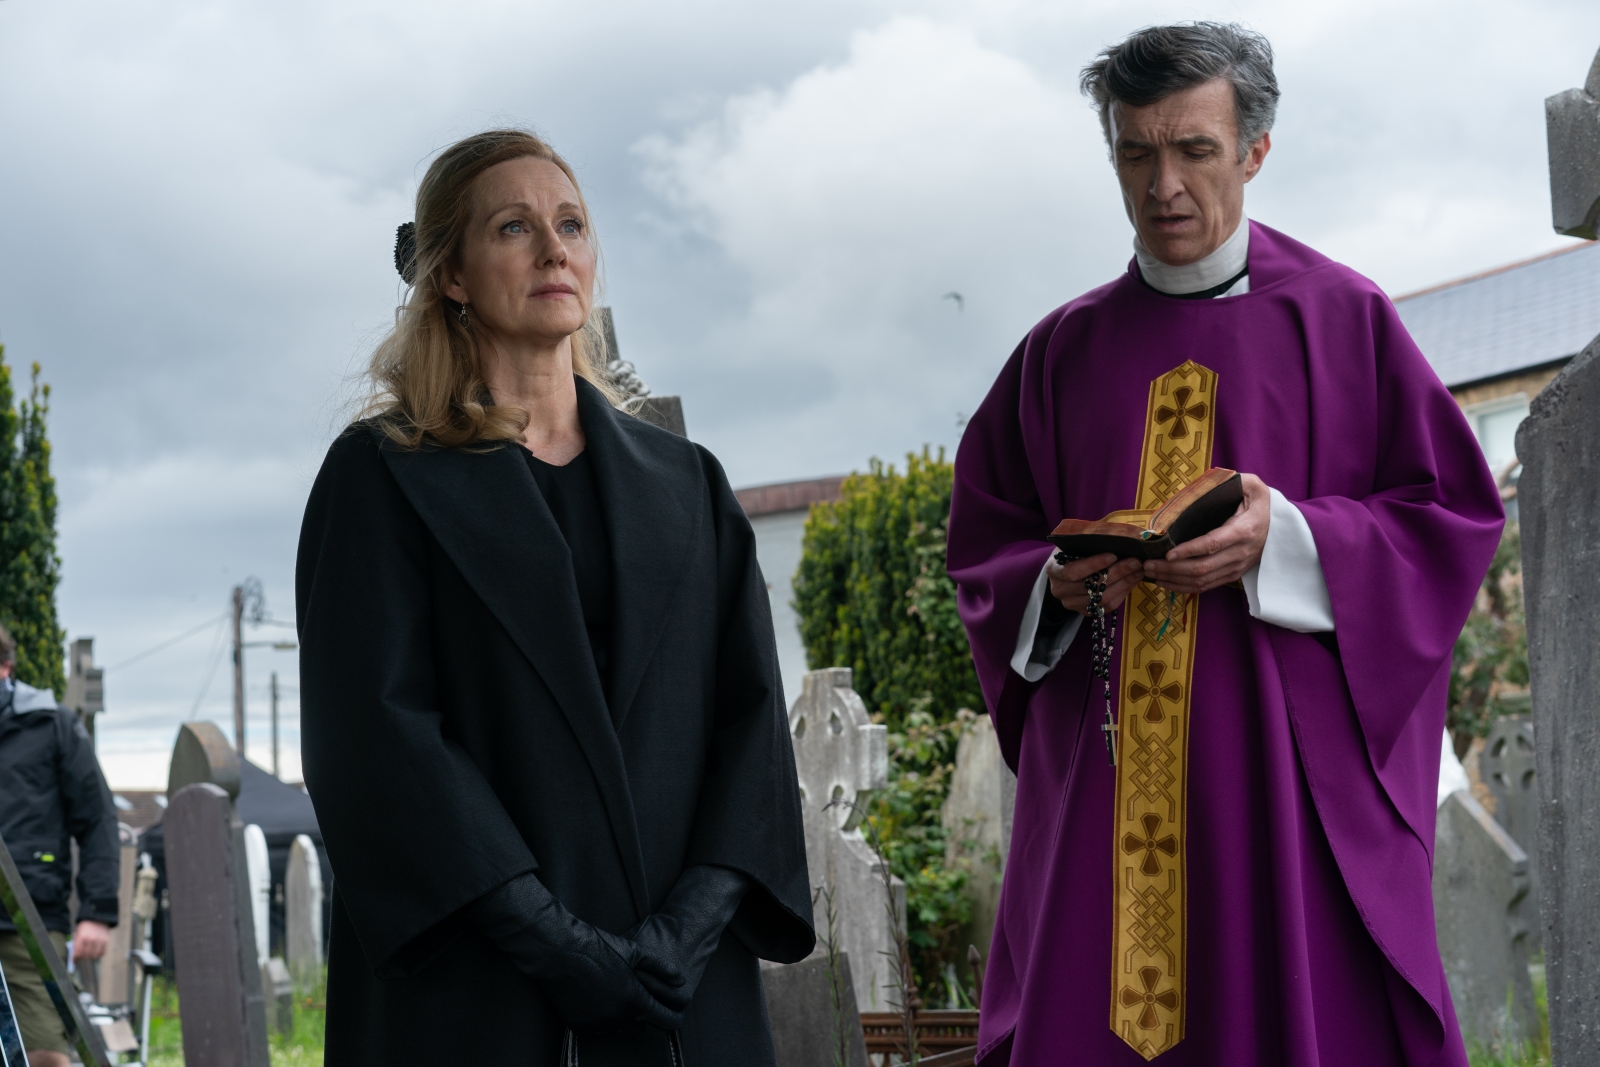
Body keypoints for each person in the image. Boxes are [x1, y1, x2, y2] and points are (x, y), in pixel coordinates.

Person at [946, 23, 1503, 1066]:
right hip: (1109, 787)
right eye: (1136, 153)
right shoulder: (1058, 353)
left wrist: (1283, 539)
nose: (1164, 185)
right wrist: (1053, 587)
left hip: (1279, 789)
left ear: (1254, 151)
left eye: (1194, 150)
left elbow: (1448, 516)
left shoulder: (1343, 321)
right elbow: (986, 548)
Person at [296, 129, 813, 1067]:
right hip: (483, 989)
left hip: (681, 987)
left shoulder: (688, 483)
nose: (553, 250)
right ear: (452, 274)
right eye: (513, 227)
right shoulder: (382, 476)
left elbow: (751, 725)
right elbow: (378, 741)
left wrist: (687, 930)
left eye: (570, 224)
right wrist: (557, 944)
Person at [0, 625, 119, 1067]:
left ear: (5, 667)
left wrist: (97, 912)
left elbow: (97, 819)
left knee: (44, 1053)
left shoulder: (51, 724)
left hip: (26, 919)